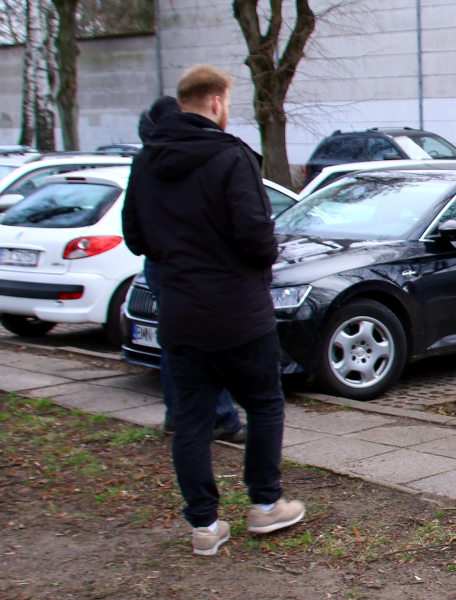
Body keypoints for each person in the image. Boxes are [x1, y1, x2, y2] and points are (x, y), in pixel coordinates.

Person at [121, 64, 303, 556]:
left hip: (180, 313)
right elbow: (255, 236)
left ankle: (204, 525)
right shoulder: (231, 156)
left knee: (192, 420)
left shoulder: (145, 162)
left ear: (182, 102)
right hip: (239, 311)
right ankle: (266, 504)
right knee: (264, 404)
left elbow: (135, 237)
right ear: (218, 102)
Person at [145, 258, 246, 443]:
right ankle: (221, 418)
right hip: (190, 264)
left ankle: (178, 415)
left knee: (175, 341)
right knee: (207, 336)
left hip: (162, 263)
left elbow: (135, 236)